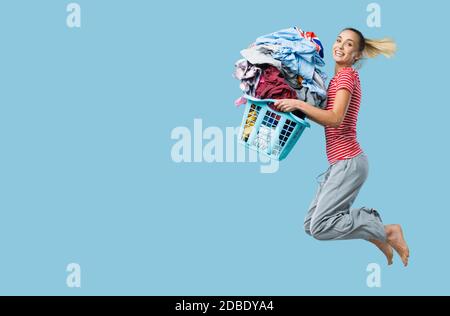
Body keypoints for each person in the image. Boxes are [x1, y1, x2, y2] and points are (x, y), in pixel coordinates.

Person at [273, 28, 410, 267]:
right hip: (340, 163)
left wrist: (297, 103)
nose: (340, 46)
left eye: (348, 45)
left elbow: (335, 118)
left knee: (320, 227)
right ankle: (374, 233)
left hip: (349, 161)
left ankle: (385, 231)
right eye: (338, 40)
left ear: (356, 55)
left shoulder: (347, 77)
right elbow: (326, 117)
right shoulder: (335, 80)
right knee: (310, 225)